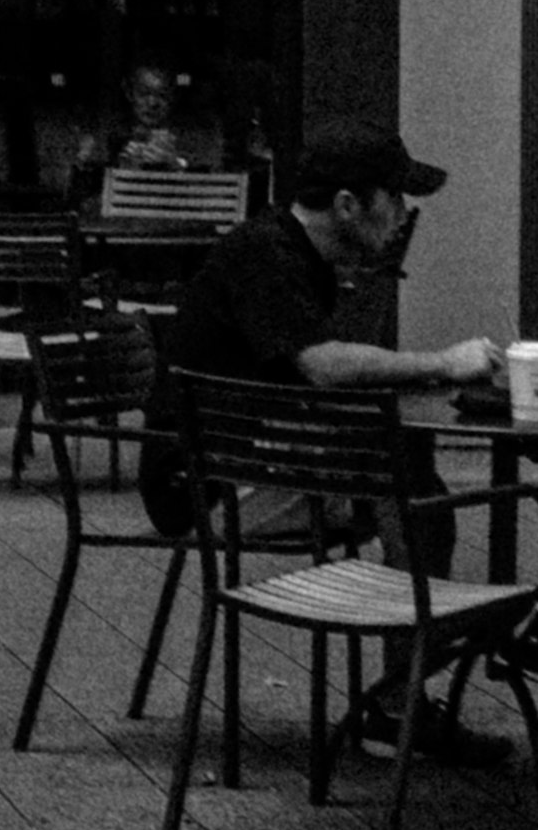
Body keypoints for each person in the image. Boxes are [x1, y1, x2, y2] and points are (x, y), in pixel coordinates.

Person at [165, 122, 507, 766]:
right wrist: (444, 363)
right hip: (207, 490)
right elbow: (322, 366)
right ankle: (418, 685)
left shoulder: (299, 255)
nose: (405, 215)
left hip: (243, 462)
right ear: (349, 204)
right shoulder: (267, 255)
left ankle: (409, 682)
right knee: (410, 492)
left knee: (411, 484)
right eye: (396, 199)